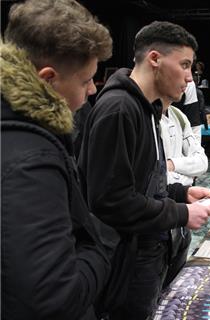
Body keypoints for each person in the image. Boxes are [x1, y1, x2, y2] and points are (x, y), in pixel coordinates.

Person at [78, 21, 210, 319]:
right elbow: (110, 201)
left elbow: (141, 183)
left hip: (146, 257)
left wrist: (181, 193)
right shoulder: (119, 109)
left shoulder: (146, 109)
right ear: (155, 59)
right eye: (184, 65)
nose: (189, 78)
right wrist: (181, 213)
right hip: (126, 265)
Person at [1, 0, 114, 318]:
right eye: (86, 80)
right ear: (48, 79)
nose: (92, 90)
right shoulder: (30, 163)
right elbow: (54, 299)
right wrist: (100, 245)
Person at [158, 98, 208, 186]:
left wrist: (172, 164)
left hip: (180, 195)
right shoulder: (143, 116)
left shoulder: (178, 115)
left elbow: (202, 162)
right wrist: (189, 177)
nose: (188, 83)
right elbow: (152, 177)